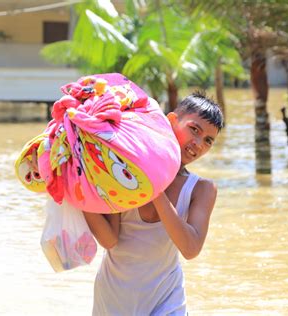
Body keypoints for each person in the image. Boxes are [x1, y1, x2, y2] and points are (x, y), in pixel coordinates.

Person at [83, 91, 224, 315]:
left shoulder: (202, 189)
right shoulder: (124, 172)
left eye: (208, 140)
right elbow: (110, 240)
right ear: (171, 121)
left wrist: (154, 187)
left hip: (167, 298)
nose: (198, 144)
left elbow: (190, 249)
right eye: (194, 130)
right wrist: (81, 191)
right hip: (114, 298)